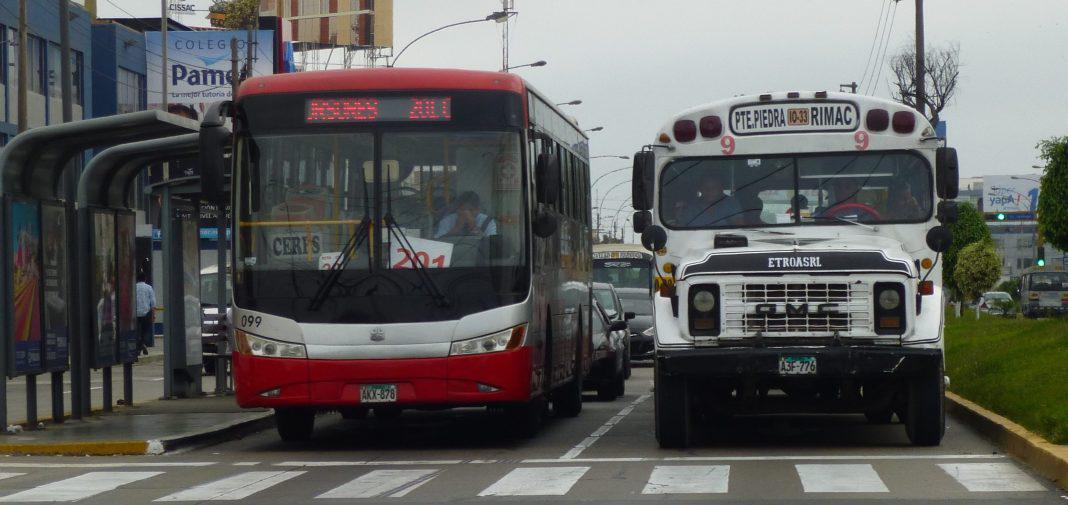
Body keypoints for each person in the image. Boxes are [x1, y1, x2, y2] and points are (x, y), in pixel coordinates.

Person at [135, 272, 156, 355]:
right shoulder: (149, 288)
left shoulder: (134, 287)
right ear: (145, 279)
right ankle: (142, 344)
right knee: (144, 331)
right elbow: (153, 302)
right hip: (146, 313)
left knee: (136, 331)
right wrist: (153, 314)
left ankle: (139, 346)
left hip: (135, 313)